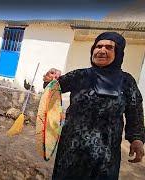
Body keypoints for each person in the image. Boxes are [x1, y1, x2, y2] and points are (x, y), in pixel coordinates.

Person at [42, 32, 145, 179]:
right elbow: (51, 90)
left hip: (106, 157)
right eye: (98, 46)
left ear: (118, 52)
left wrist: (137, 139)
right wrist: (49, 78)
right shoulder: (79, 75)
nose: (102, 50)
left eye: (109, 47)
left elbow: (135, 112)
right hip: (71, 152)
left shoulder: (127, 82)